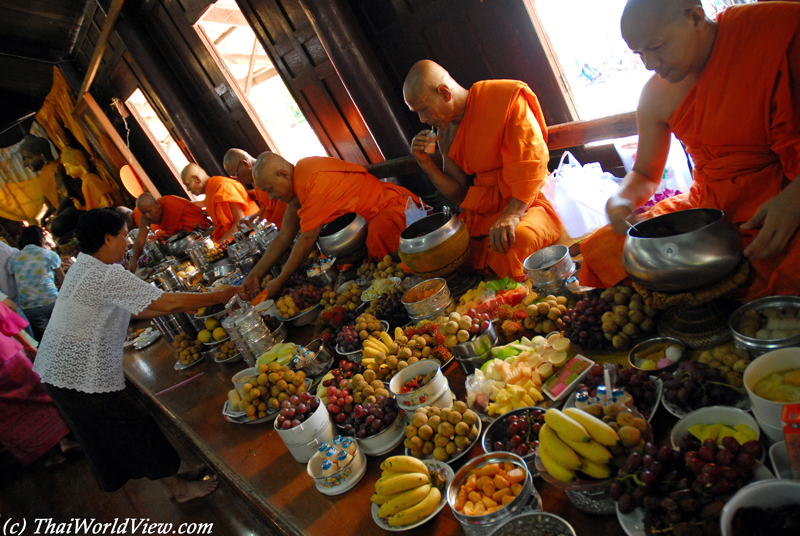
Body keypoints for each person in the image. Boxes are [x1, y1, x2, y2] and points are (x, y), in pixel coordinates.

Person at [578, 0, 800, 301]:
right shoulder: (656, 94)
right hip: (708, 211)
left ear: (695, 17)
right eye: (639, 53)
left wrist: (794, 198)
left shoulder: (769, 40)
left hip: (779, 201)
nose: (650, 63)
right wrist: (620, 201)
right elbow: (644, 172)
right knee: (601, 248)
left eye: (656, 46)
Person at [33, 208, 240, 499]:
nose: (127, 243)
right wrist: (219, 295)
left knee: (134, 427)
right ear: (106, 239)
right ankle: (178, 490)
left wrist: (188, 304)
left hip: (60, 370)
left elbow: (140, 305)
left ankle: (175, 472)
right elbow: (164, 302)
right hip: (76, 376)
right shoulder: (103, 274)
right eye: (122, 236)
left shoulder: (86, 266)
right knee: (133, 431)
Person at [404, 60, 564, 281]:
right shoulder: (446, 132)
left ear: (444, 92)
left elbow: (533, 161)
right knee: (447, 252)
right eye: (417, 113)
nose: (422, 119)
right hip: (487, 210)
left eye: (423, 109)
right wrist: (426, 165)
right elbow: (461, 193)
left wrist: (512, 214)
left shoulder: (504, 98)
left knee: (517, 240)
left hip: (530, 200)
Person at [240, 153, 422, 299]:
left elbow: (308, 237)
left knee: (380, 234)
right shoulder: (299, 183)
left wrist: (280, 280)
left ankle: (413, 290)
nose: (271, 198)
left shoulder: (312, 179)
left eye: (270, 190)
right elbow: (284, 236)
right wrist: (256, 274)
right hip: (361, 227)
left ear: (283, 175)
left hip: (390, 211)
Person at [0, 292, 75, 467]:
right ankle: (66, 438)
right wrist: (27, 344)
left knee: (9, 418)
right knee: (40, 396)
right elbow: (5, 313)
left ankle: (53, 455)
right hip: (7, 357)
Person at [127, 193, 212, 271]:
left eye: (149, 211)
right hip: (181, 248)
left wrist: (173, 236)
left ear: (157, 204)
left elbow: (199, 227)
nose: (147, 216)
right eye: (143, 213)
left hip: (202, 238)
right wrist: (133, 260)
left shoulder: (172, 203)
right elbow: (140, 240)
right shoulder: (146, 218)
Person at [180, 163, 259, 245]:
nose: (188, 189)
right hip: (236, 238)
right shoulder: (210, 193)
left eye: (188, 184)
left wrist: (220, 245)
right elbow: (218, 225)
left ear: (197, 179)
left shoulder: (223, 186)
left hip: (252, 233)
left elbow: (240, 221)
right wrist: (198, 242)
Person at [8, 226, 64, 341]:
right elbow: (63, 279)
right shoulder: (48, 254)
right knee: (66, 332)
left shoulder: (14, 258)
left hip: (29, 308)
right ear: (41, 238)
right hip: (51, 301)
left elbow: (19, 281)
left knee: (53, 339)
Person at [223, 149, 287, 230]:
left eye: (236, 175)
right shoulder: (256, 181)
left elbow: (284, 206)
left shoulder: (267, 172)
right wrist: (251, 217)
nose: (238, 180)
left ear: (245, 164)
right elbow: (268, 208)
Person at [60, 146, 118, 211]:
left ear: (78, 164)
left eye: (68, 168)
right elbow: (92, 206)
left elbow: (106, 202)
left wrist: (98, 213)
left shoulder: (90, 179)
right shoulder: (85, 181)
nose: (67, 173)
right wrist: (81, 208)